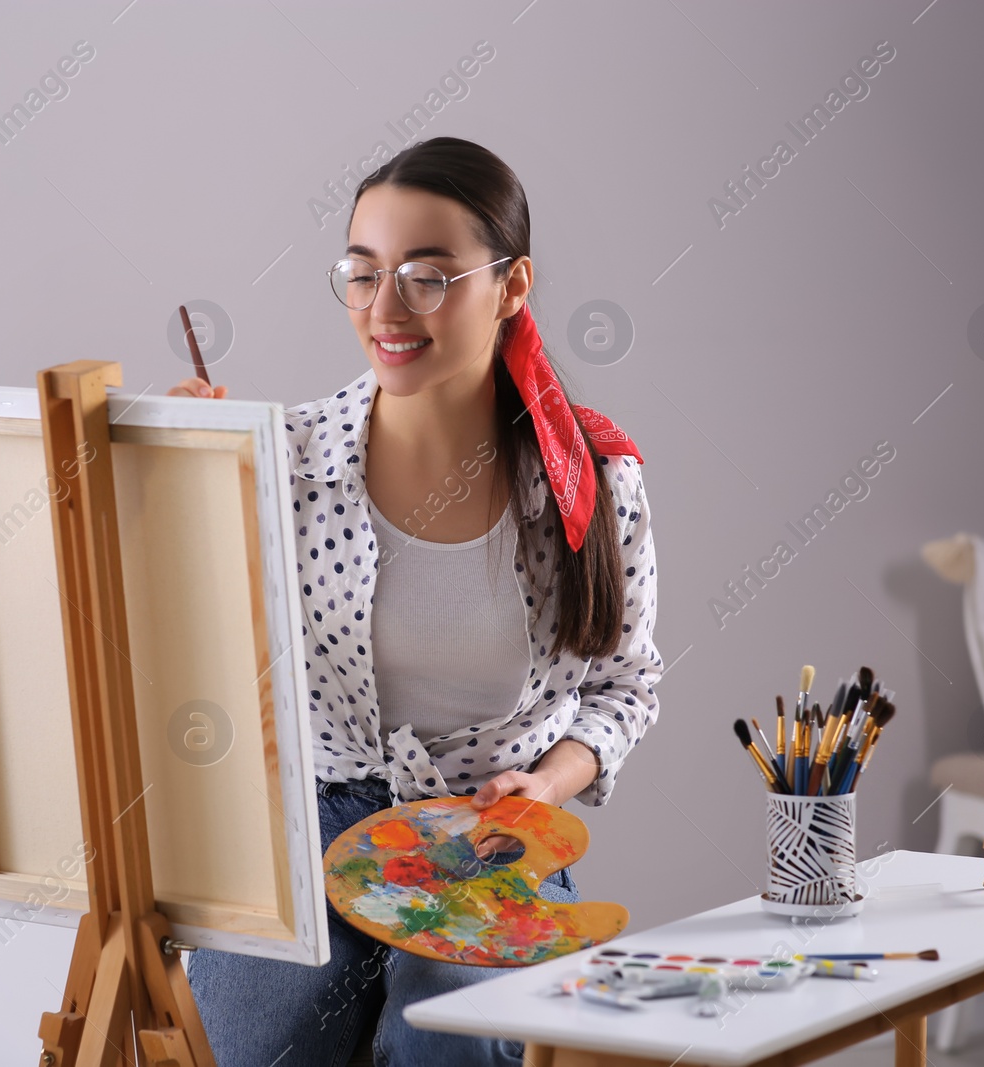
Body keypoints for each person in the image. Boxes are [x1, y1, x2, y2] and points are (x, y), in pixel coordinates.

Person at [167, 136, 662, 1067]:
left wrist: (543, 787)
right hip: (310, 832)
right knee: (251, 1048)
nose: (386, 308)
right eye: (362, 273)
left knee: (449, 1030)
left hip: (489, 837)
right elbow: (179, 652)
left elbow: (625, 688)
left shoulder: (592, 478)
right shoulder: (279, 459)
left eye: (428, 276)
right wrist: (174, 477)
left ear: (513, 284)